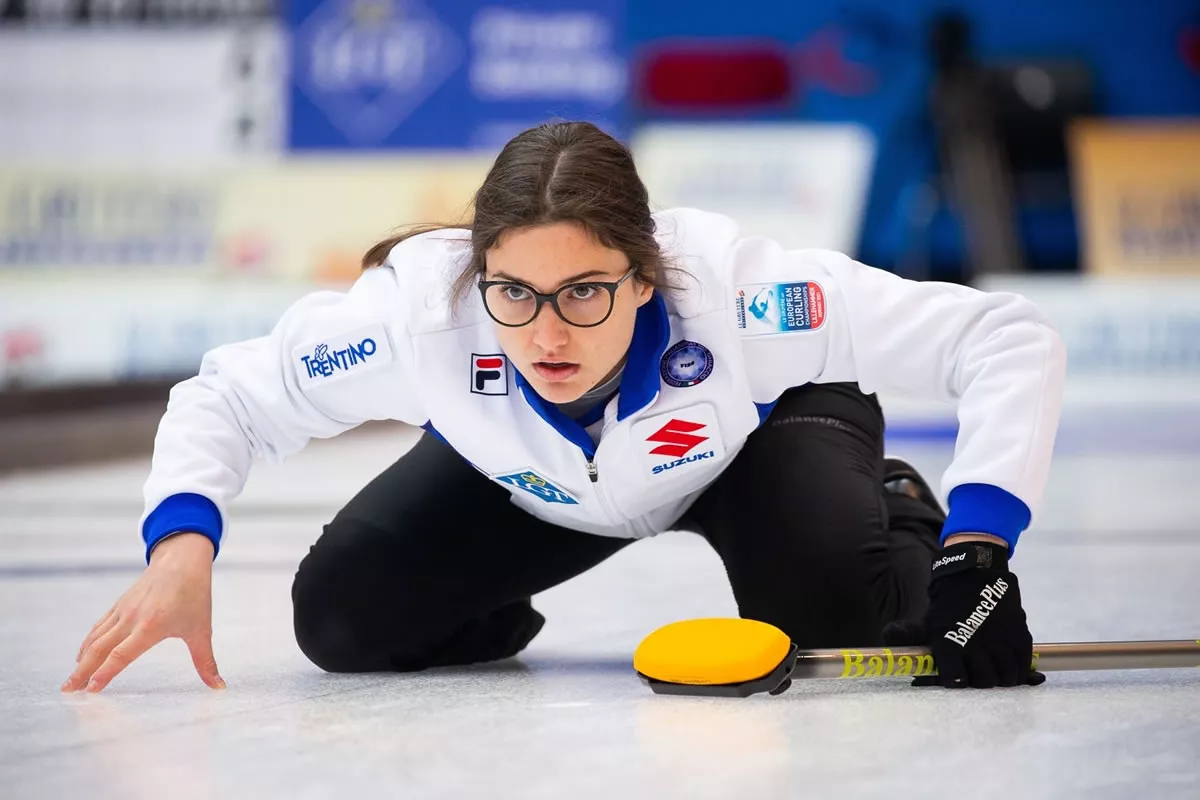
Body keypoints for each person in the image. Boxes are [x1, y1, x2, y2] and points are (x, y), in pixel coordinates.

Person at [63, 121, 1065, 695]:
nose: (548, 333)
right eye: (515, 293)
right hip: (538, 484)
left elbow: (1005, 337)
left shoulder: (751, 296)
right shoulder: (420, 316)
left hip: (763, 437)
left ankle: (888, 502)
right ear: (479, 274)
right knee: (342, 621)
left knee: (841, 630)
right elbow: (227, 394)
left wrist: (978, 546)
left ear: (643, 272)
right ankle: (497, 602)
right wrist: (180, 552)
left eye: (585, 290)